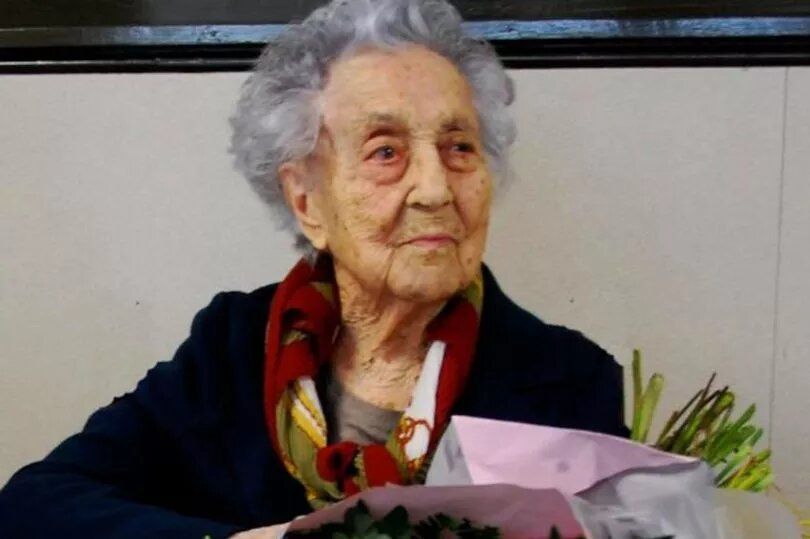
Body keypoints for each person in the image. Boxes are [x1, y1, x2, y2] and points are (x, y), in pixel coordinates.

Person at [0, 0, 628, 537]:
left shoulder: (566, 382)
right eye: (386, 151)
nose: (436, 188)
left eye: (459, 147)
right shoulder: (232, 347)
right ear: (306, 200)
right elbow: (35, 503)